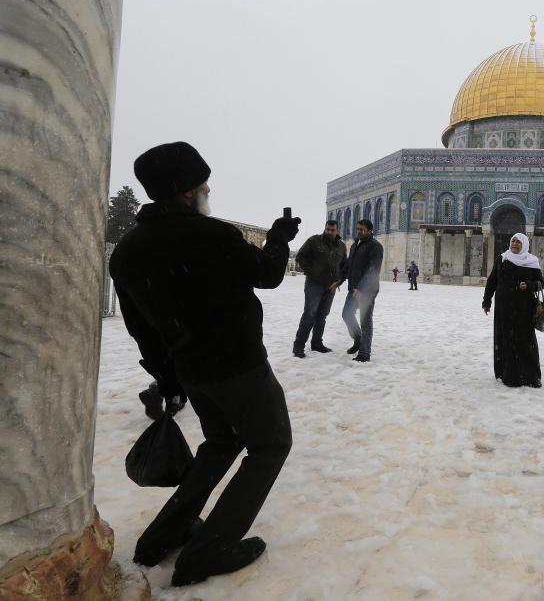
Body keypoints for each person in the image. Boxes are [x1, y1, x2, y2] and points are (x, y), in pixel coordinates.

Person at [109, 142, 299, 587]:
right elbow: (269, 274)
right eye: (201, 183)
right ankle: (209, 549)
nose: (208, 188)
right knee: (270, 445)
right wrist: (277, 238)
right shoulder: (210, 236)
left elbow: (140, 326)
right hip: (239, 366)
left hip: (191, 369)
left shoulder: (128, 251)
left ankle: (162, 536)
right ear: (185, 191)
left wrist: (167, 374)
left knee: (220, 443)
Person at [482, 233, 544, 388]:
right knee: (507, 340)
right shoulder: (502, 259)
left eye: (518, 242)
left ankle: (530, 377)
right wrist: (487, 300)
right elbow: (492, 281)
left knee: (525, 341)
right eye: (513, 241)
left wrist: (529, 285)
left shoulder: (532, 262)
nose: (515, 244)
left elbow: (541, 283)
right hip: (504, 308)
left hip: (524, 309)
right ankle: (509, 375)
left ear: (524, 245)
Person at [292, 220, 347, 357]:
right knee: (310, 314)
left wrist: (338, 281)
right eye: (327, 229)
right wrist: (312, 273)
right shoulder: (314, 241)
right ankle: (298, 346)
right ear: (325, 228)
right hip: (314, 285)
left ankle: (317, 343)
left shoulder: (341, 246)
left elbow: (344, 266)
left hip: (331, 287)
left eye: (332, 230)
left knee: (322, 315)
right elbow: (300, 256)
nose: (329, 232)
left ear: (337, 230)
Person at [341, 219, 383, 362]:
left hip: (367, 290)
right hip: (353, 289)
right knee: (347, 315)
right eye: (358, 228)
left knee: (365, 320)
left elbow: (373, 270)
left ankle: (365, 353)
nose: (359, 231)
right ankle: (358, 340)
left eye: (362, 229)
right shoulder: (354, 246)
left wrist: (362, 288)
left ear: (370, 230)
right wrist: (338, 281)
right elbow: (348, 267)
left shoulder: (375, 247)